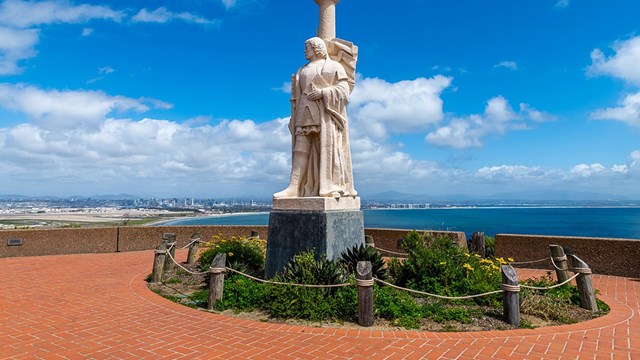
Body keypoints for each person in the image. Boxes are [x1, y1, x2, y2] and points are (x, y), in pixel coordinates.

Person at [274, 37, 357, 199]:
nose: (305, 51)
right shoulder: (301, 70)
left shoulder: (334, 66)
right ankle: (294, 186)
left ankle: (330, 183)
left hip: (325, 113)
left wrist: (323, 93)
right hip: (303, 113)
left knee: (328, 149)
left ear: (317, 48)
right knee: (300, 148)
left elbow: (344, 89)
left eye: (308, 47)